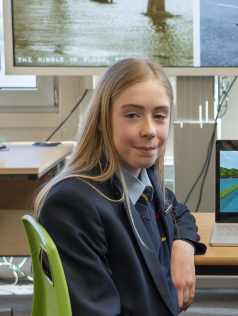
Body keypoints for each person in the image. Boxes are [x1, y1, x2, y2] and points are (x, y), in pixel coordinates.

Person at [34, 58, 207, 315]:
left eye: (159, 116)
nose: (149, 130)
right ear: (102, 120)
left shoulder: (143, 179)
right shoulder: (73, 204)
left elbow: (177, 210)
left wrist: (183, 246)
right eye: (132, 115)